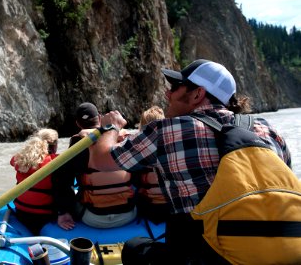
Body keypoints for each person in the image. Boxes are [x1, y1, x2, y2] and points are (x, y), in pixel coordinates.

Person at [88, 59, 291, 264]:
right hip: (279, 251)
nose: (168, 94)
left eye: (176, 87)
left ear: (197, 94)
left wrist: (110, 127)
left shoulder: (168, 130)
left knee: (133, 248)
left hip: (205, 257)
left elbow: (101, 160)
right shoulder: (269, 130)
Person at [52, 102, 136, 230]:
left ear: (78, 124)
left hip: (92, 218)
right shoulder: (124, 138)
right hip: (129, 215)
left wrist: (63, 212)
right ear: (100, 118)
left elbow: (61, 180)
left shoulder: (79, 143)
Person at [10, 128, 59, 235]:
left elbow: (12, 160)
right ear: (54, 145)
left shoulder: (19, 160)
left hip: (21, 212)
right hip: (45, 216)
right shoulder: (56, 161)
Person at [133, 106, 171, 224]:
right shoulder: (174, 146)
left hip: (149, 210)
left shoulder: (136, 150)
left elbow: (135, 183)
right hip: (173, 209)